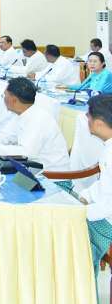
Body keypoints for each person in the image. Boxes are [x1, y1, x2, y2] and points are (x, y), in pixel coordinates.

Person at [0, 77, 70, 171]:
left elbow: (26, 153)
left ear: (14, 100)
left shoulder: (38, 119)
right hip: (33, 167)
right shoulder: (21, 113)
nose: (3, 99)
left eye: (4, 95)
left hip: (50, 174)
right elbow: (6, 136)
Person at [78, 94, 112, 280]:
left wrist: (82, 212)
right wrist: (85, 196)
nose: (86, 119)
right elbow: (105, 184)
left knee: (71, 242)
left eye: (88, 116)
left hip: (107, 221)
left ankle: (84, 290)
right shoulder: (108, 147)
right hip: (103, 211)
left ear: (99, 123)